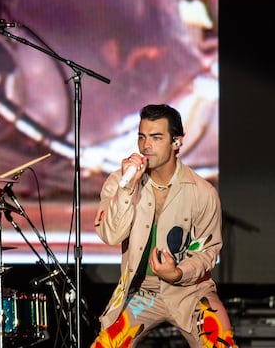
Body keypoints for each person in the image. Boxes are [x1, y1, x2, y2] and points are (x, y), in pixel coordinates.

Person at [91, 104, 236, 347]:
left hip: (191, 291)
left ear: (176, 142)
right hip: (141, 293)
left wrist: (178, 272)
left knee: (222, 343)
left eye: (156, 138)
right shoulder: (120, 181)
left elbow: (208, 252)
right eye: (142, 137)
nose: (146, 145)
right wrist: (127, 187)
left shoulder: (202, 192)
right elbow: (110, 235)